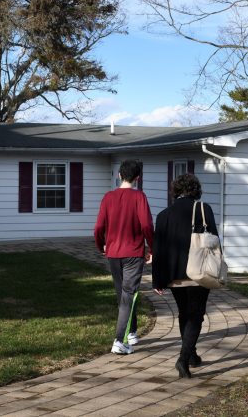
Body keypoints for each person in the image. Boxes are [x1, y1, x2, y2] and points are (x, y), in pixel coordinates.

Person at [152, 173, 217, 378]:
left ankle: (192, 355)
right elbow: (214, 241)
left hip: (174, 274)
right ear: (196, 190)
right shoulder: (204, 210)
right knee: (196, 315)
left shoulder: (163, 215)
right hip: (199, 272)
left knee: (184, 313)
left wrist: (157, 280)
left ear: (176, 191)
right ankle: (183, 359)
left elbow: (158, 249)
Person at [94, 159, 154, 355]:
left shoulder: (108, 197)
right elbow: (147, 226)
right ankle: (119, 340)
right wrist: (152, 248)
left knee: (124, 294)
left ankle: (132, 332)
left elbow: (99, 227)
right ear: (137, 178)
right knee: (128, 295)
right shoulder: (139, 197)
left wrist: (100, 244)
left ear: (119, 175)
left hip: (113, 253)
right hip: (133, 254)